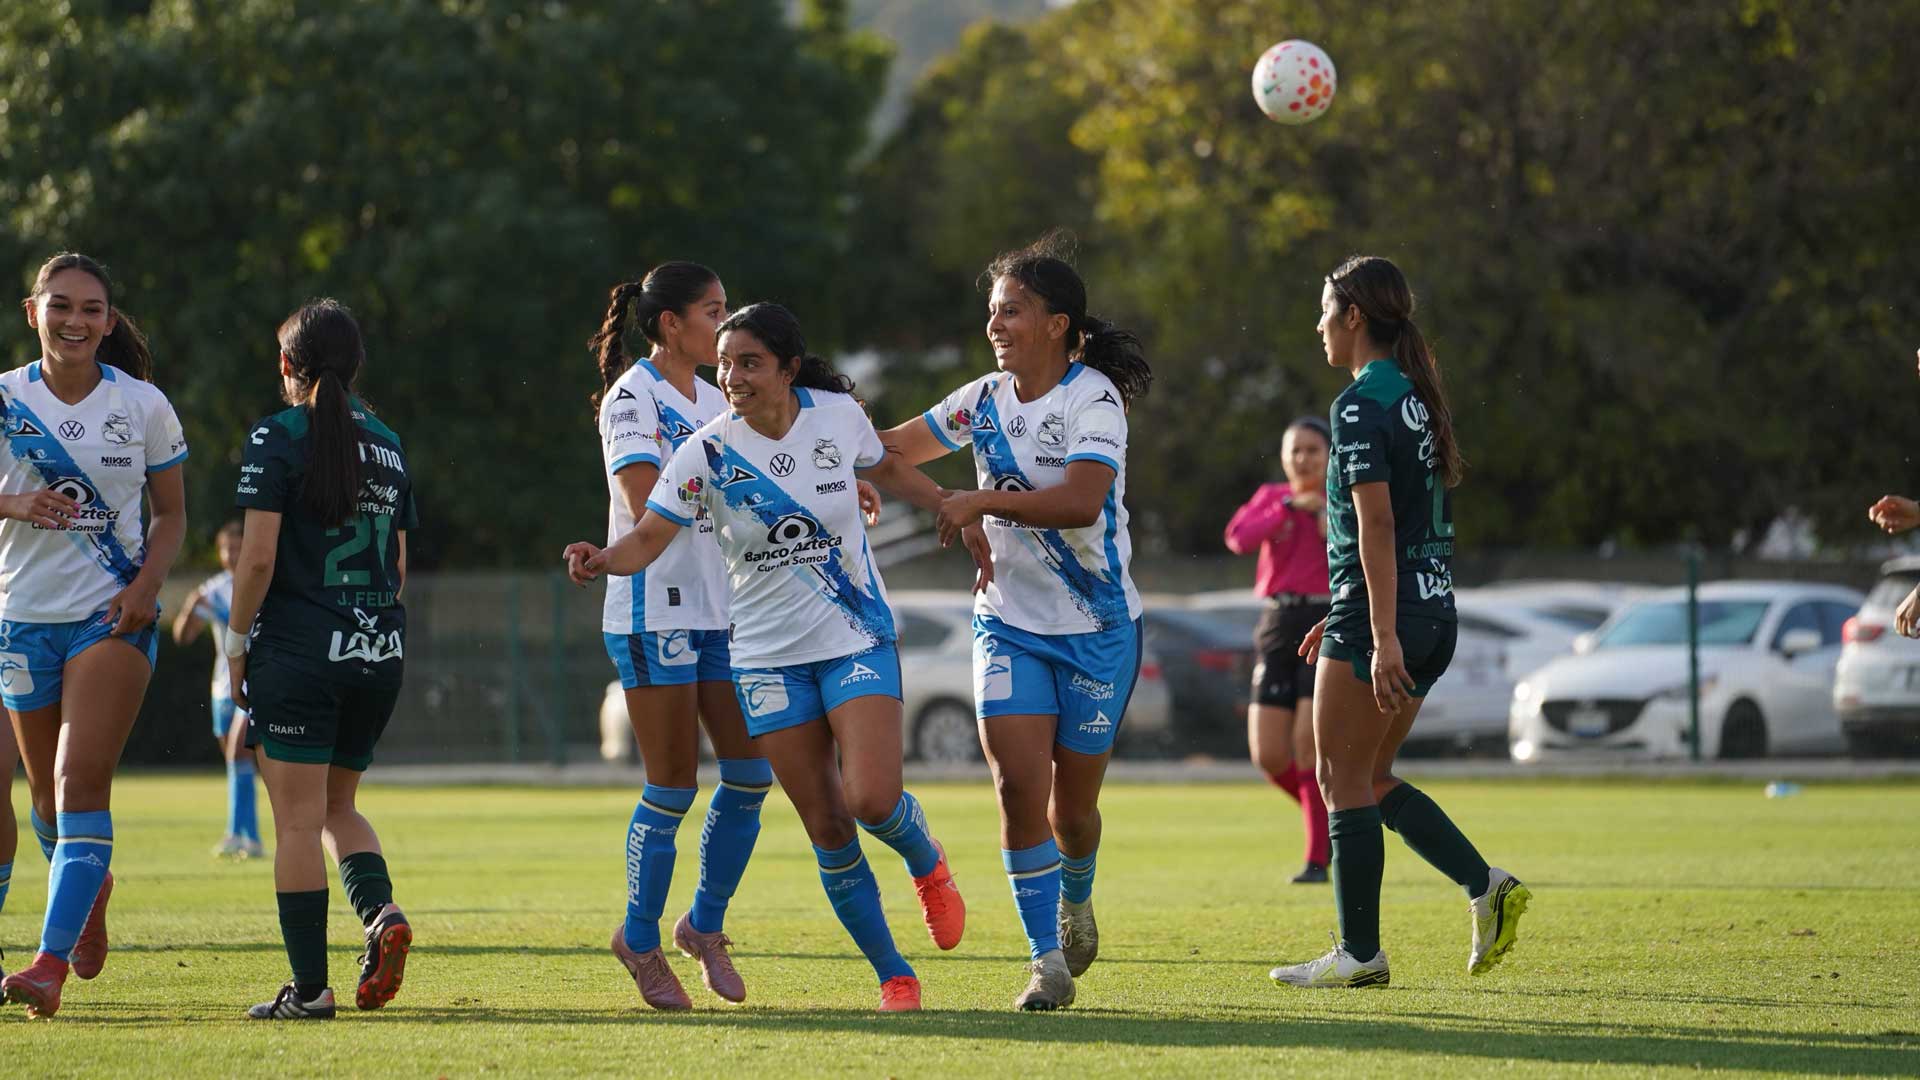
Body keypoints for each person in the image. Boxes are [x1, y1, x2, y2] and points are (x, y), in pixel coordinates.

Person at [565, 302, 967, 1013]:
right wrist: (602, 559)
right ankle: (893, 973)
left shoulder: (836, 416)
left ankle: (926, 861)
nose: (732, 377)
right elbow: (651, 535)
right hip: (765, 661)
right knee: (828, 824)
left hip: (855, 635)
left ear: (787, 368)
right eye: (725, 363)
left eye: (748, 362)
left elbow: (892, 471)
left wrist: (953, 507)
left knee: (870, 799)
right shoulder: (706, 452)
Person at [878, 230, 1150, 1011]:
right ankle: (1045, 962)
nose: (995, 325)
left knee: (1073, 808)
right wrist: (826, 429)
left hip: (1098, 629)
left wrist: (981, 501)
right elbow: (890, 450)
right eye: (992, 312)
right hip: (1006, 623)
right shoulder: (980, 401)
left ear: (1059, 323)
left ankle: (1076, 897)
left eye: (1013, 311)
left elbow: (1080, 500)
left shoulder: (1090, 397)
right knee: (1017, 788)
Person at [1269, 254, 1529, 990]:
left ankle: (1360, 954)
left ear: (1354, 317)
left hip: (1390, 618)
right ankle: (1488, 886)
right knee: (1372, 775)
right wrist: (1359, 614)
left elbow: (1376, 524)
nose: (1318, 325)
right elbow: (1394, 529)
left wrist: (1376, 633)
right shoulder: (1415, 395)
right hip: (1430, 608)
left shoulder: (1359, 404)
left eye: (1325, 311)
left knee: (1339, 777)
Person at [0, 253, 188, 1017]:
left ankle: (45, 966)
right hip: (19, 621)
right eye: (61, 306)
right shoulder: (5, 400)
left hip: (110, 619)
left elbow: (172, 516)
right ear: (33, 312)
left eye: (91, 309)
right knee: (45, 801)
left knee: (80, 784)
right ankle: (89, 888)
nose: (75, 321)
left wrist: (146, 588)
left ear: (109, 322)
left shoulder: (142, 405)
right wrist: (14, 505)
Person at [584, 263, 775, 1010]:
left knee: (752, 776)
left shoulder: (719, 398)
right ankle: (639, 937)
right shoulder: (633, 397)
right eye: (713, 312)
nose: (725, 328)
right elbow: (641, 500)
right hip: (653, 610)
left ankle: (703, 925)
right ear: (671, 325)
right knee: (671, 786)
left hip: (724, 608)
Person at [226, 299, 417, 1021]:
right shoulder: (391, 443)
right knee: (341, 807)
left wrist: (237, 644)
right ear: (358, 365)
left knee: (300, 824)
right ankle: (381, 915)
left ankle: (309, 992)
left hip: (302, 651)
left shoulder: (277, 435)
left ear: (286, 366)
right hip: (379, 649)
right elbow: (396, 567)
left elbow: (258, 561)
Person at [1225, 417, 1334, 884]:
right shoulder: (1274, 497)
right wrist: (1289, 506)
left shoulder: (1346, 498)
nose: (1304, 458)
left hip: (1325, 621)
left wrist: (1324, 511)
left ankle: (1318, 858)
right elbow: (1238, 538)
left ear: (1330, 455)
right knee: (1269, 754)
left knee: (1308, 746)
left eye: (1313, 449)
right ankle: (1336, 823)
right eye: (1296, 450)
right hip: (1276, 623)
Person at [173, 518, 265, 859]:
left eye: (238, 547)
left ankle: (251, 837)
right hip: (220, 686)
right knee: (234, 760)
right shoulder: (213, 587)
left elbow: (245, 628)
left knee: (238, 755)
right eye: (227, 548)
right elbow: (183, 636)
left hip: (250, 682)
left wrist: (223, 612)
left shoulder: (259, 581)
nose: (231, 553)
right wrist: (189, 606)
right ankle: (237, 833)